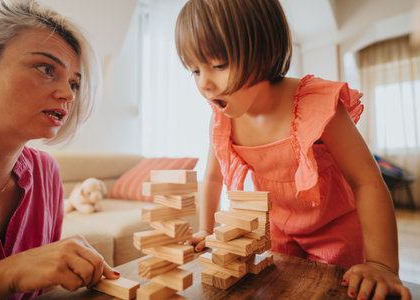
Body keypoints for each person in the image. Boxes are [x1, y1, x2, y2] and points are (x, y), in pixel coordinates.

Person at [174, 0, 411, 299]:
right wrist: (206, 231)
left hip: (334, 230)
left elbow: (367, 181)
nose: (204, 83)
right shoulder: (221, 119)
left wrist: (382, 264)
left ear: (262, 51)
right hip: (277, 232)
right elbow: (212, 178)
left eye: (218, 65)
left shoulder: (318, 104)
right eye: (194, 70)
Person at [0, 0, 119, 299]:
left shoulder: (46, 172)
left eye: (74, 84)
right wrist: (12, 272)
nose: (67, 94)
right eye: (46, 68)